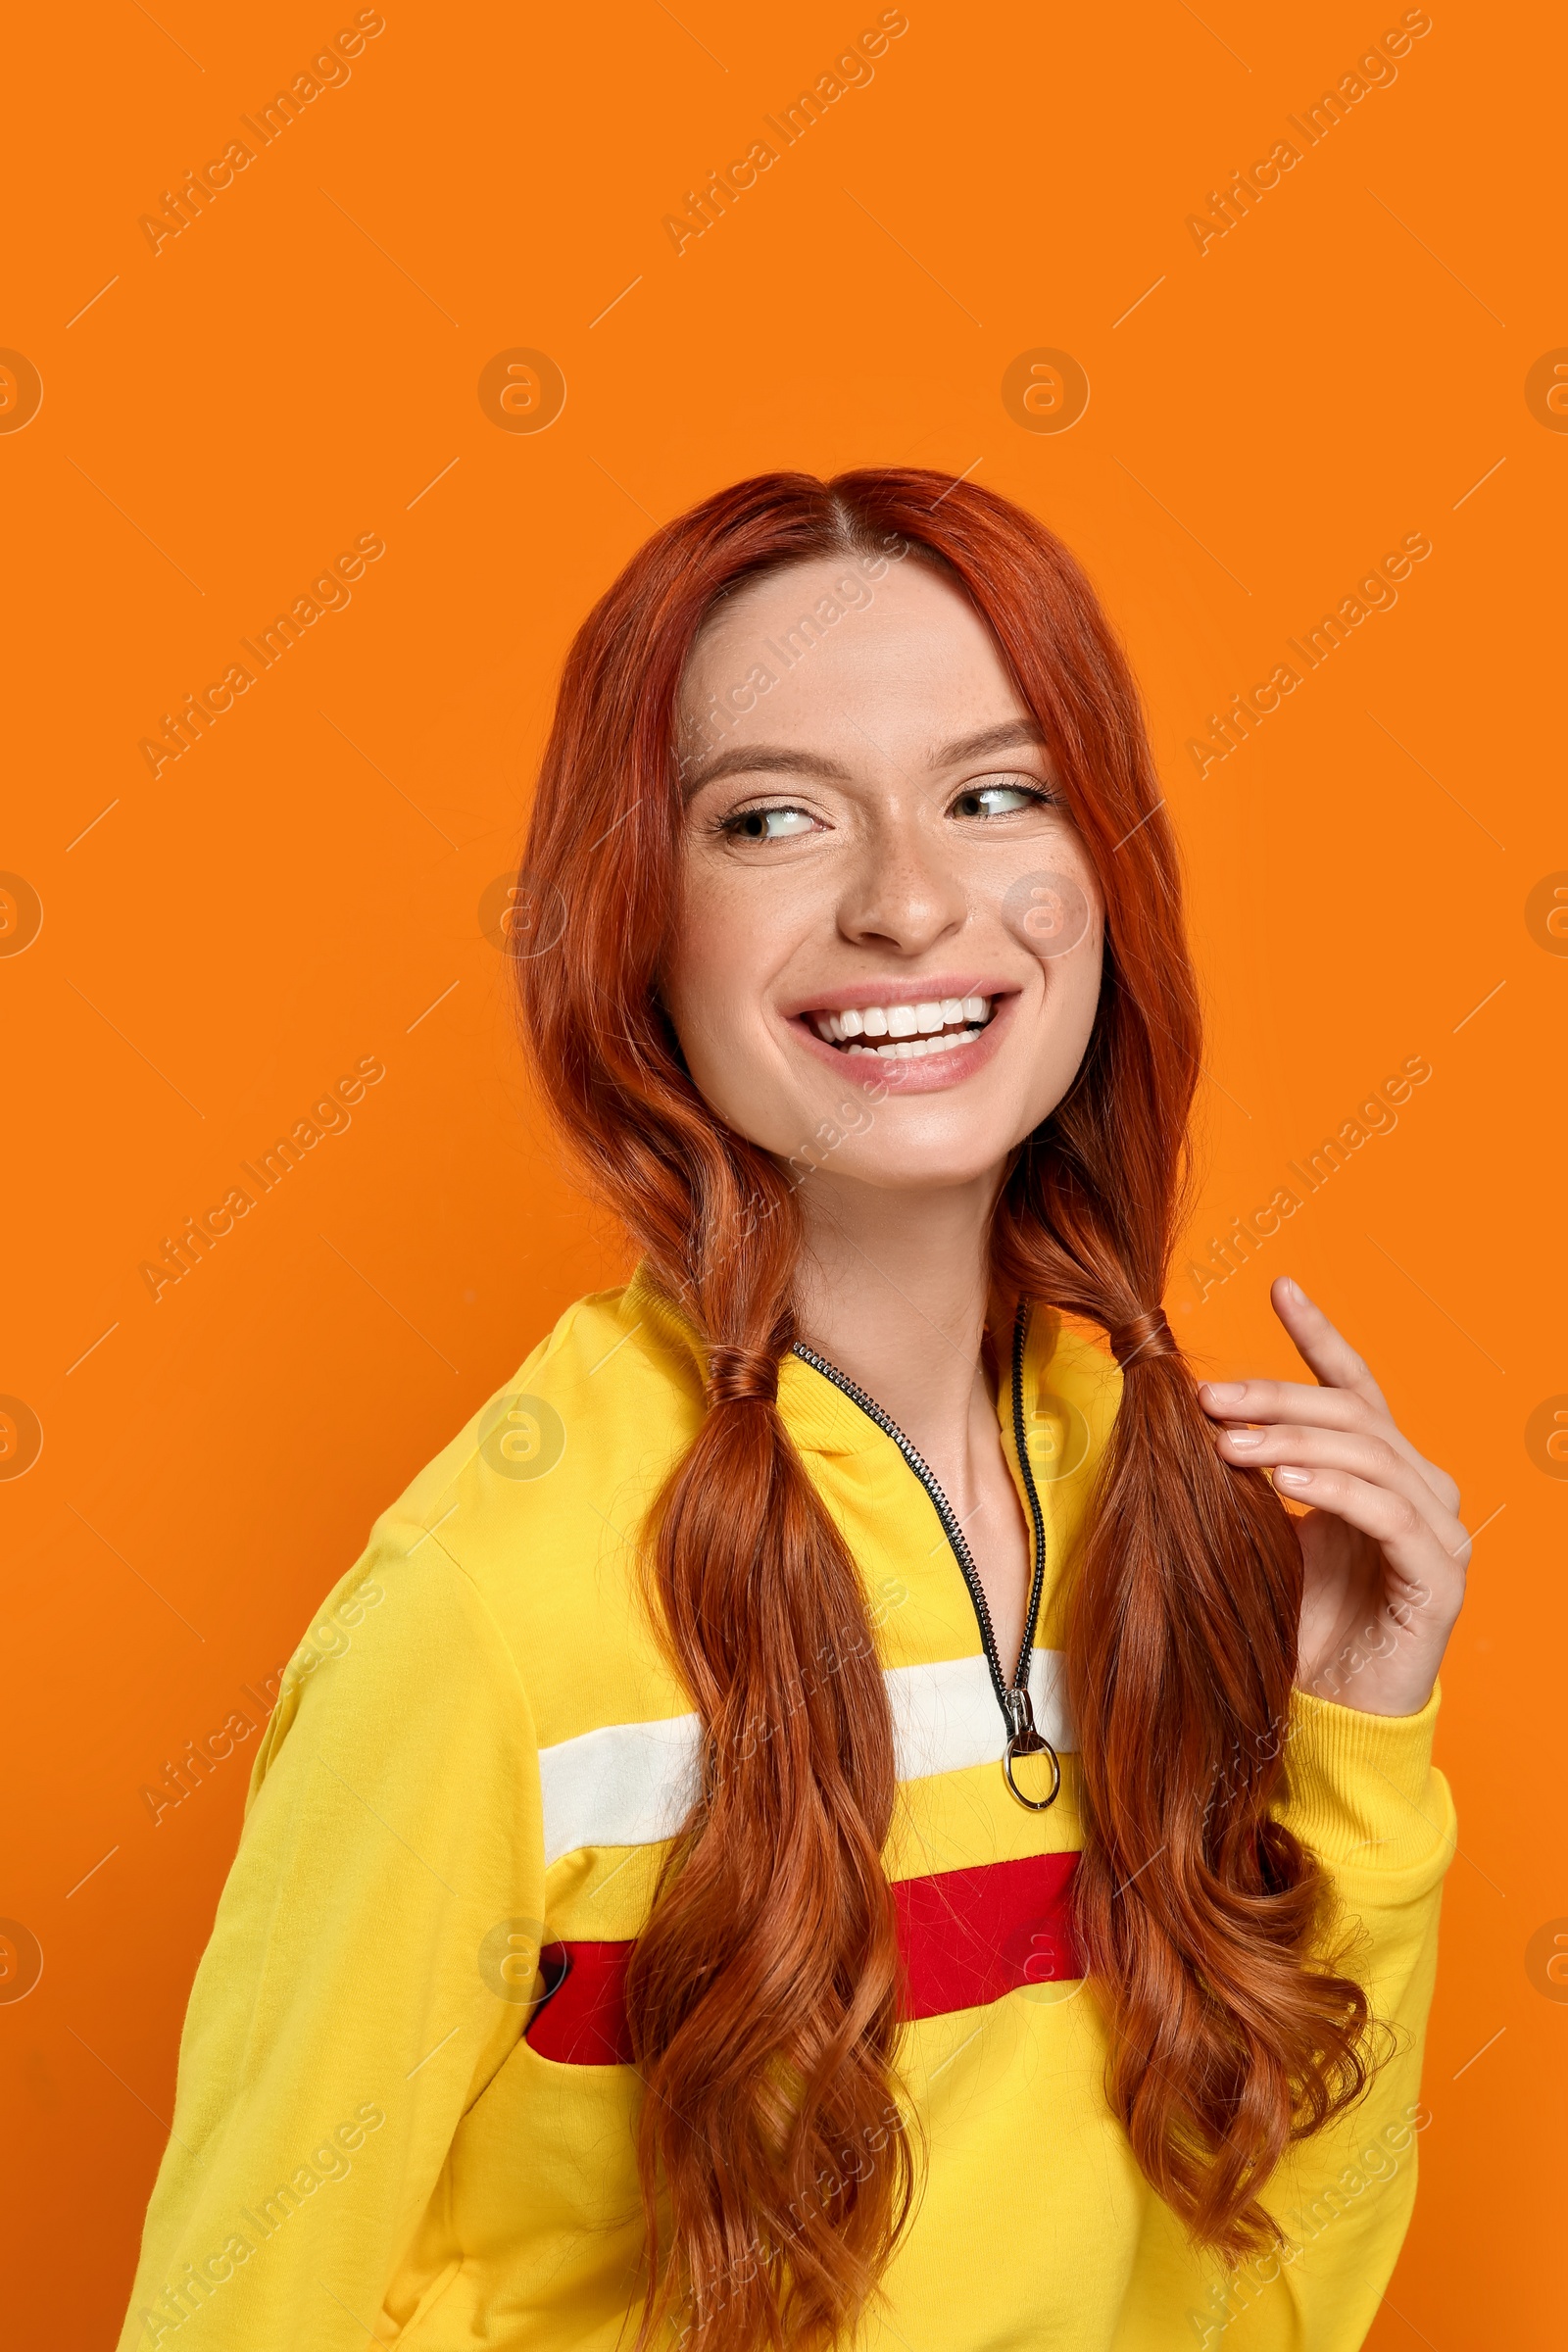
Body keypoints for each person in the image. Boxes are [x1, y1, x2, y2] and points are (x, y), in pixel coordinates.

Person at [116, 469, 1464, 2352]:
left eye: (999, 795)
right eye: (772, 820)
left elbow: (1279, 2299)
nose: (909, 902)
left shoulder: (1198, 1520)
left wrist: (1356, 1738)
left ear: (1107, 876)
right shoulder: (479, 1611)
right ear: (636, 920)